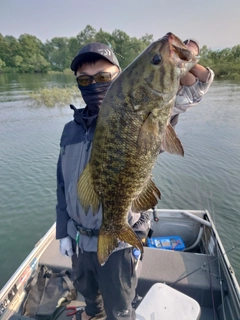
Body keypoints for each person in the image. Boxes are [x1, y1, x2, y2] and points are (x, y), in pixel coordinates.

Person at [56, 38, 214, 320]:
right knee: (90, 299)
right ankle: (93, 314)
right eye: (85, 80)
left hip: (120, 245)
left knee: (120, 309)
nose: (94, 85)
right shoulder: (70, 130)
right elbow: (62, 186)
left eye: (103, 77)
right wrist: (63, 232)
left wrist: (179, 98)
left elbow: (162, 118)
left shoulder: (144, 112)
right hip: (80, 242)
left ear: (119, 77)